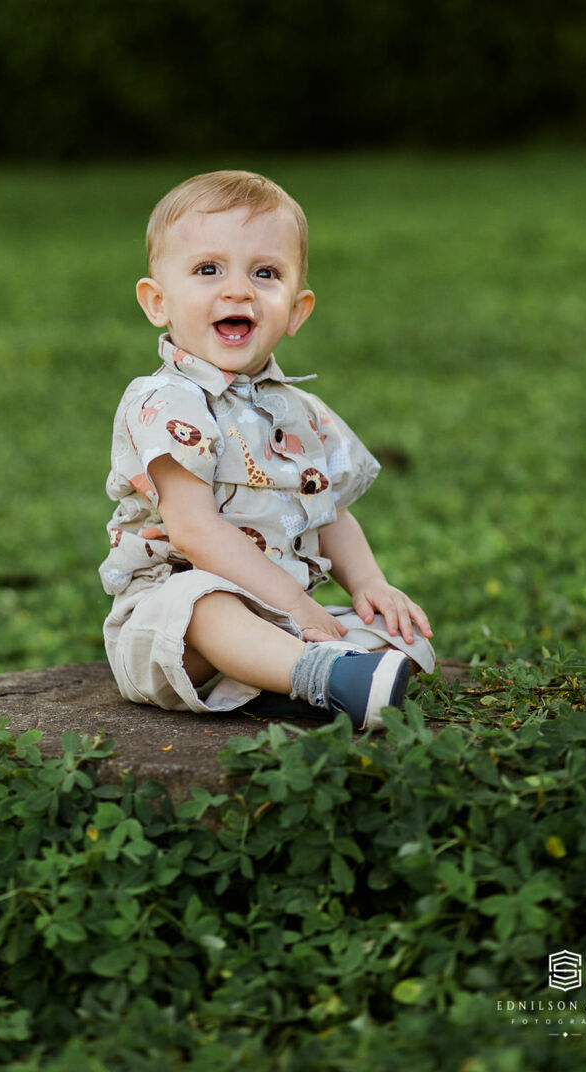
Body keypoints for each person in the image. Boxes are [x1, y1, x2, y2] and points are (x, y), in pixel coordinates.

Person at [100, 170, 435, 731]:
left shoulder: (303, 411)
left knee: (397, 634)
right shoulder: (164, 401)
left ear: (297, 310)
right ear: (157, 301)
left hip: (280, 616)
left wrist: (369, 583)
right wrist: (297, 606)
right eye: (209, 270)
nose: (238, 290)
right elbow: (195, 532)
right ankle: (318, 677)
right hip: (171, 626)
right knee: (202, 599)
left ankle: (295, 678)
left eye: (265, 273)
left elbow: (332, 514)